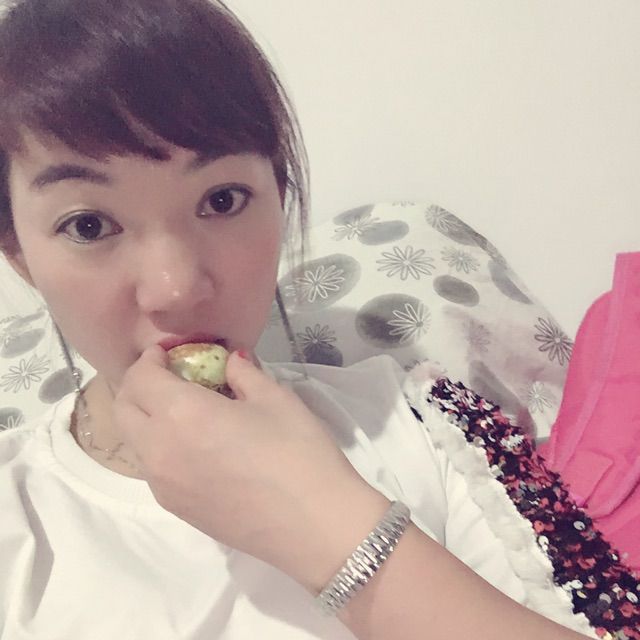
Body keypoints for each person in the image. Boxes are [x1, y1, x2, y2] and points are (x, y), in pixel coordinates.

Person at [0, 1, 636, 638]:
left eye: (222, 199)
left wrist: (325, 528)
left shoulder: (422, 426)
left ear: (279, 198)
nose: (177, 288)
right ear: (19, 254)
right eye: (89, 225)